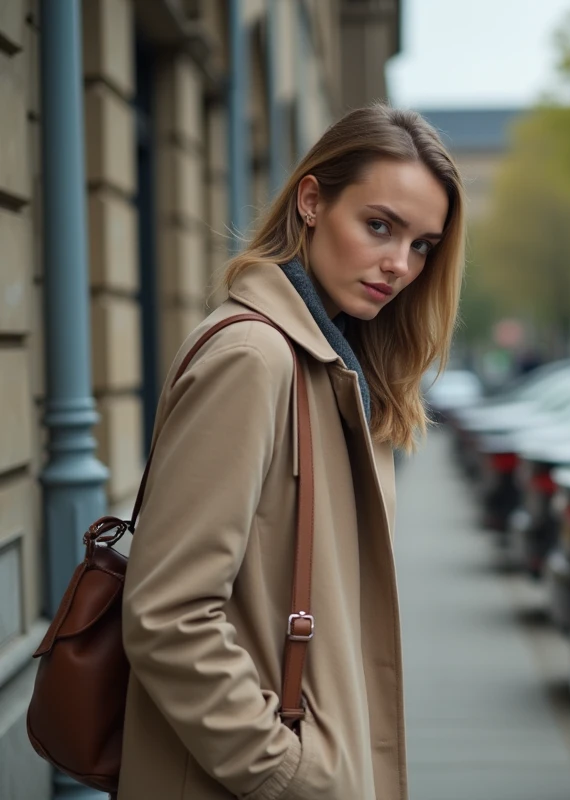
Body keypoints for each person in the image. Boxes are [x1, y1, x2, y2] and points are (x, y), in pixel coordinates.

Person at [117, 105, 465, 800]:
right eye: (379, 226)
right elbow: (168, 613)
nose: (399, 264)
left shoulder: (337, 368)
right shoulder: (255, 359)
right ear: (311, 200)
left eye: (423, 245)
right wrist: (291, 774)